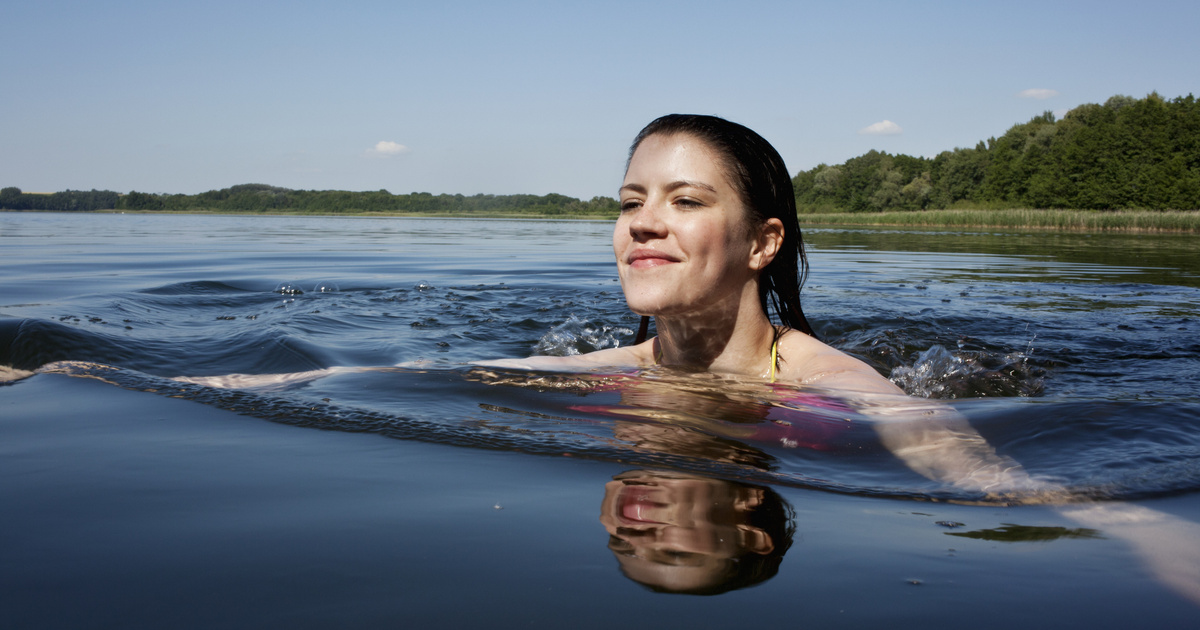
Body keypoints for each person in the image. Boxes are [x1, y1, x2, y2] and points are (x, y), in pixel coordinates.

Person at [483, 114, 902, 395]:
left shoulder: (836, 387)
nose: (641, 223)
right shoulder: (602, 371)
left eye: (685, 201)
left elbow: (950, 461)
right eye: (630, 202)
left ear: (763, 243)